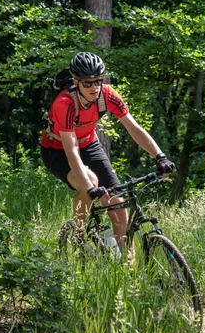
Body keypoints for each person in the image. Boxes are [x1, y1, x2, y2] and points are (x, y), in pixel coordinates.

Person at [41, 51, 176, 247]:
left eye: (98, 81)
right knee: (91, 182)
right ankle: (77, 236)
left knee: (116, 200)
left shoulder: (107, 94)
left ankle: (124, 261)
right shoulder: (64, 103)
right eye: (88, 83)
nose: (94, 87)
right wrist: (89, 188)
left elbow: (134, 129)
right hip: (57, 150)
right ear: (76, 82)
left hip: (88, 143)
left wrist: (160, 156)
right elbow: (71, 151)